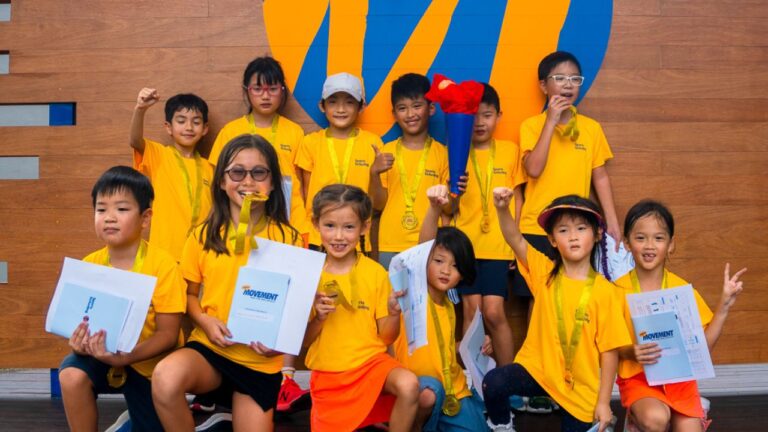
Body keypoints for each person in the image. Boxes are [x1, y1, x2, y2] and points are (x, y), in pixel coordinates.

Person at [151, 135, 302, 431]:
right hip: (211, 351)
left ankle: (223, 421)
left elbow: (295, 310)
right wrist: (206, 321)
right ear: (221, 181)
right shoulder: (202, 235)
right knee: (165, 377)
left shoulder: (290, 239)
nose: (248, 181)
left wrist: (279, 347)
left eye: (259, 172)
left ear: (272, 184)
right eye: (237, 172)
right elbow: (190, 296)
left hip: (259, 363)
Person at [204, 55, 310, 414]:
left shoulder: (294, 133)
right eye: (258, 87)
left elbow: (303, 185)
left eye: (273, 87)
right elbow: (217, 182)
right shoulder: (231, 131)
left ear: (283, 92)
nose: (265, 95)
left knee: (285, 297)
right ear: (246, 91)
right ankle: (222, 378)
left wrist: (300, 228)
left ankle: (286, 375)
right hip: (240, 227)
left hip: (284, 227)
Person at [483, 192, 631, 432]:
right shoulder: (544, 272)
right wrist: (502, 208)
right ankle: (502, 427)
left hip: (578, 389)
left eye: (581, 228)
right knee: (494, 382)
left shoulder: (606, 292)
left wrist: (604, 402)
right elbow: (515, 239)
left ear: (597, 235)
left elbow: (610, 351)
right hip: (538, 371)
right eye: (563, 231)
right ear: (552, 239)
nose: (572, 237)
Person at [59, 166, 186, 432]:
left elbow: (168, 335)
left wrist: (126, 358)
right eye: (101, 209)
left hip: (148, 366)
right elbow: (80, 323)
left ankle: (130, 422)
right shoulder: (89, 265)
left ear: (145, 218)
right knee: (71, 373)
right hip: (102, 359)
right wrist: (79, 345)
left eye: (122, 209)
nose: (109, 218)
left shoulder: (163, 266)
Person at [615, 200, 746, 432]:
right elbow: (607, 346)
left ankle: (695, 412)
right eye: (640, 237)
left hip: (679, 381)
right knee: (656, 420)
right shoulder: (615, 290)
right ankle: (637, 417)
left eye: (658, 238)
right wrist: (631, 351)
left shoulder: (682, 291)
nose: (649, 246)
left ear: (671, 244)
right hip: (638, 379)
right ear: (627, 243)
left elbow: (703, 347)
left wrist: (724, 306)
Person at [303, 184, 419, 431]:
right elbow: (301, 342)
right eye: (330, 225)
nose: (338, 236)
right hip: (329, 374)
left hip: (371, 365)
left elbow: (387, 336)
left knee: (409, 385)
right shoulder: (308, 272)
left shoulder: (376, 272)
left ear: (364, 227)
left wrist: (395, 314)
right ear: (315, 224)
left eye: (349, 227)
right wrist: (319, 318)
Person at [393, 185, 489, 431]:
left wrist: (472, 348)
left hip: (453, 388)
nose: (446, 270)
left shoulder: (448, 305)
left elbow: (442, 349)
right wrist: (434, 209)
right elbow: (423, 248)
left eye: (455, 266)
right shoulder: (415, 293)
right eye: (438, 261)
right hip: (422, 387)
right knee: (427, 394)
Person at [518, 51, 620, 263]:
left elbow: (600, 177)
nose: (568, 85)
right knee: (537, 295)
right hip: (536, 226)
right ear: (544, 86)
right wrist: (551, 122)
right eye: (560, 78)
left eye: (575, 79)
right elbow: (533, 170)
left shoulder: (591, 128)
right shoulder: (531, 126)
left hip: (577, 227)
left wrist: (612, 221)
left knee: (575, 290)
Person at [452, 83, 524, 367]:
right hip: (466, 247)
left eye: (487, 115)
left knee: (494, 313)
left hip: (498, 244)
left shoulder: (509, 151)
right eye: (473, 116)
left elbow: (518, 197)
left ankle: (508, 383)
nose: (480, 122)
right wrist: (455, 192)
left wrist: (515, 245)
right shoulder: (455, 152)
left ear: (499, 115)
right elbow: (449, 208)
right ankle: (472, 385)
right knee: (471, 312)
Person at [368, 73, 449, 269]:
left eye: (416, 106)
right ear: (394, 113)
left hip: (430, 244)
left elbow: (449, 208)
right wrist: (374, 173)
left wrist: (457, 192)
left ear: (431, 108)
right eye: (402, 108)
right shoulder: (386, 151)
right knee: (393, 299)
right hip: (390, 242)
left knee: (426, 299)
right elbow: (378, 205)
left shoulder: (443, 154)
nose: (410, 114)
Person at [295, 72, 383, 250]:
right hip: (317, 236)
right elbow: (306, 197)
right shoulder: (310, 142)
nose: (341, 109)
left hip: (356, 237)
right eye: (333, 101)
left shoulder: (372, 143)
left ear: (361, 106)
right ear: (322, 105)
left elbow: (377, 201)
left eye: (349, 102)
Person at [130, 89, 213, 262]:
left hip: (200, 255)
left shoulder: (210, 167)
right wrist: (140, 109)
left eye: (196, 122)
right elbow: (135, 141)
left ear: (205, 129)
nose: (189, 127)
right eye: (181, 121)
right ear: (168, 127)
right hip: (165, 254)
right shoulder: (160, 155)